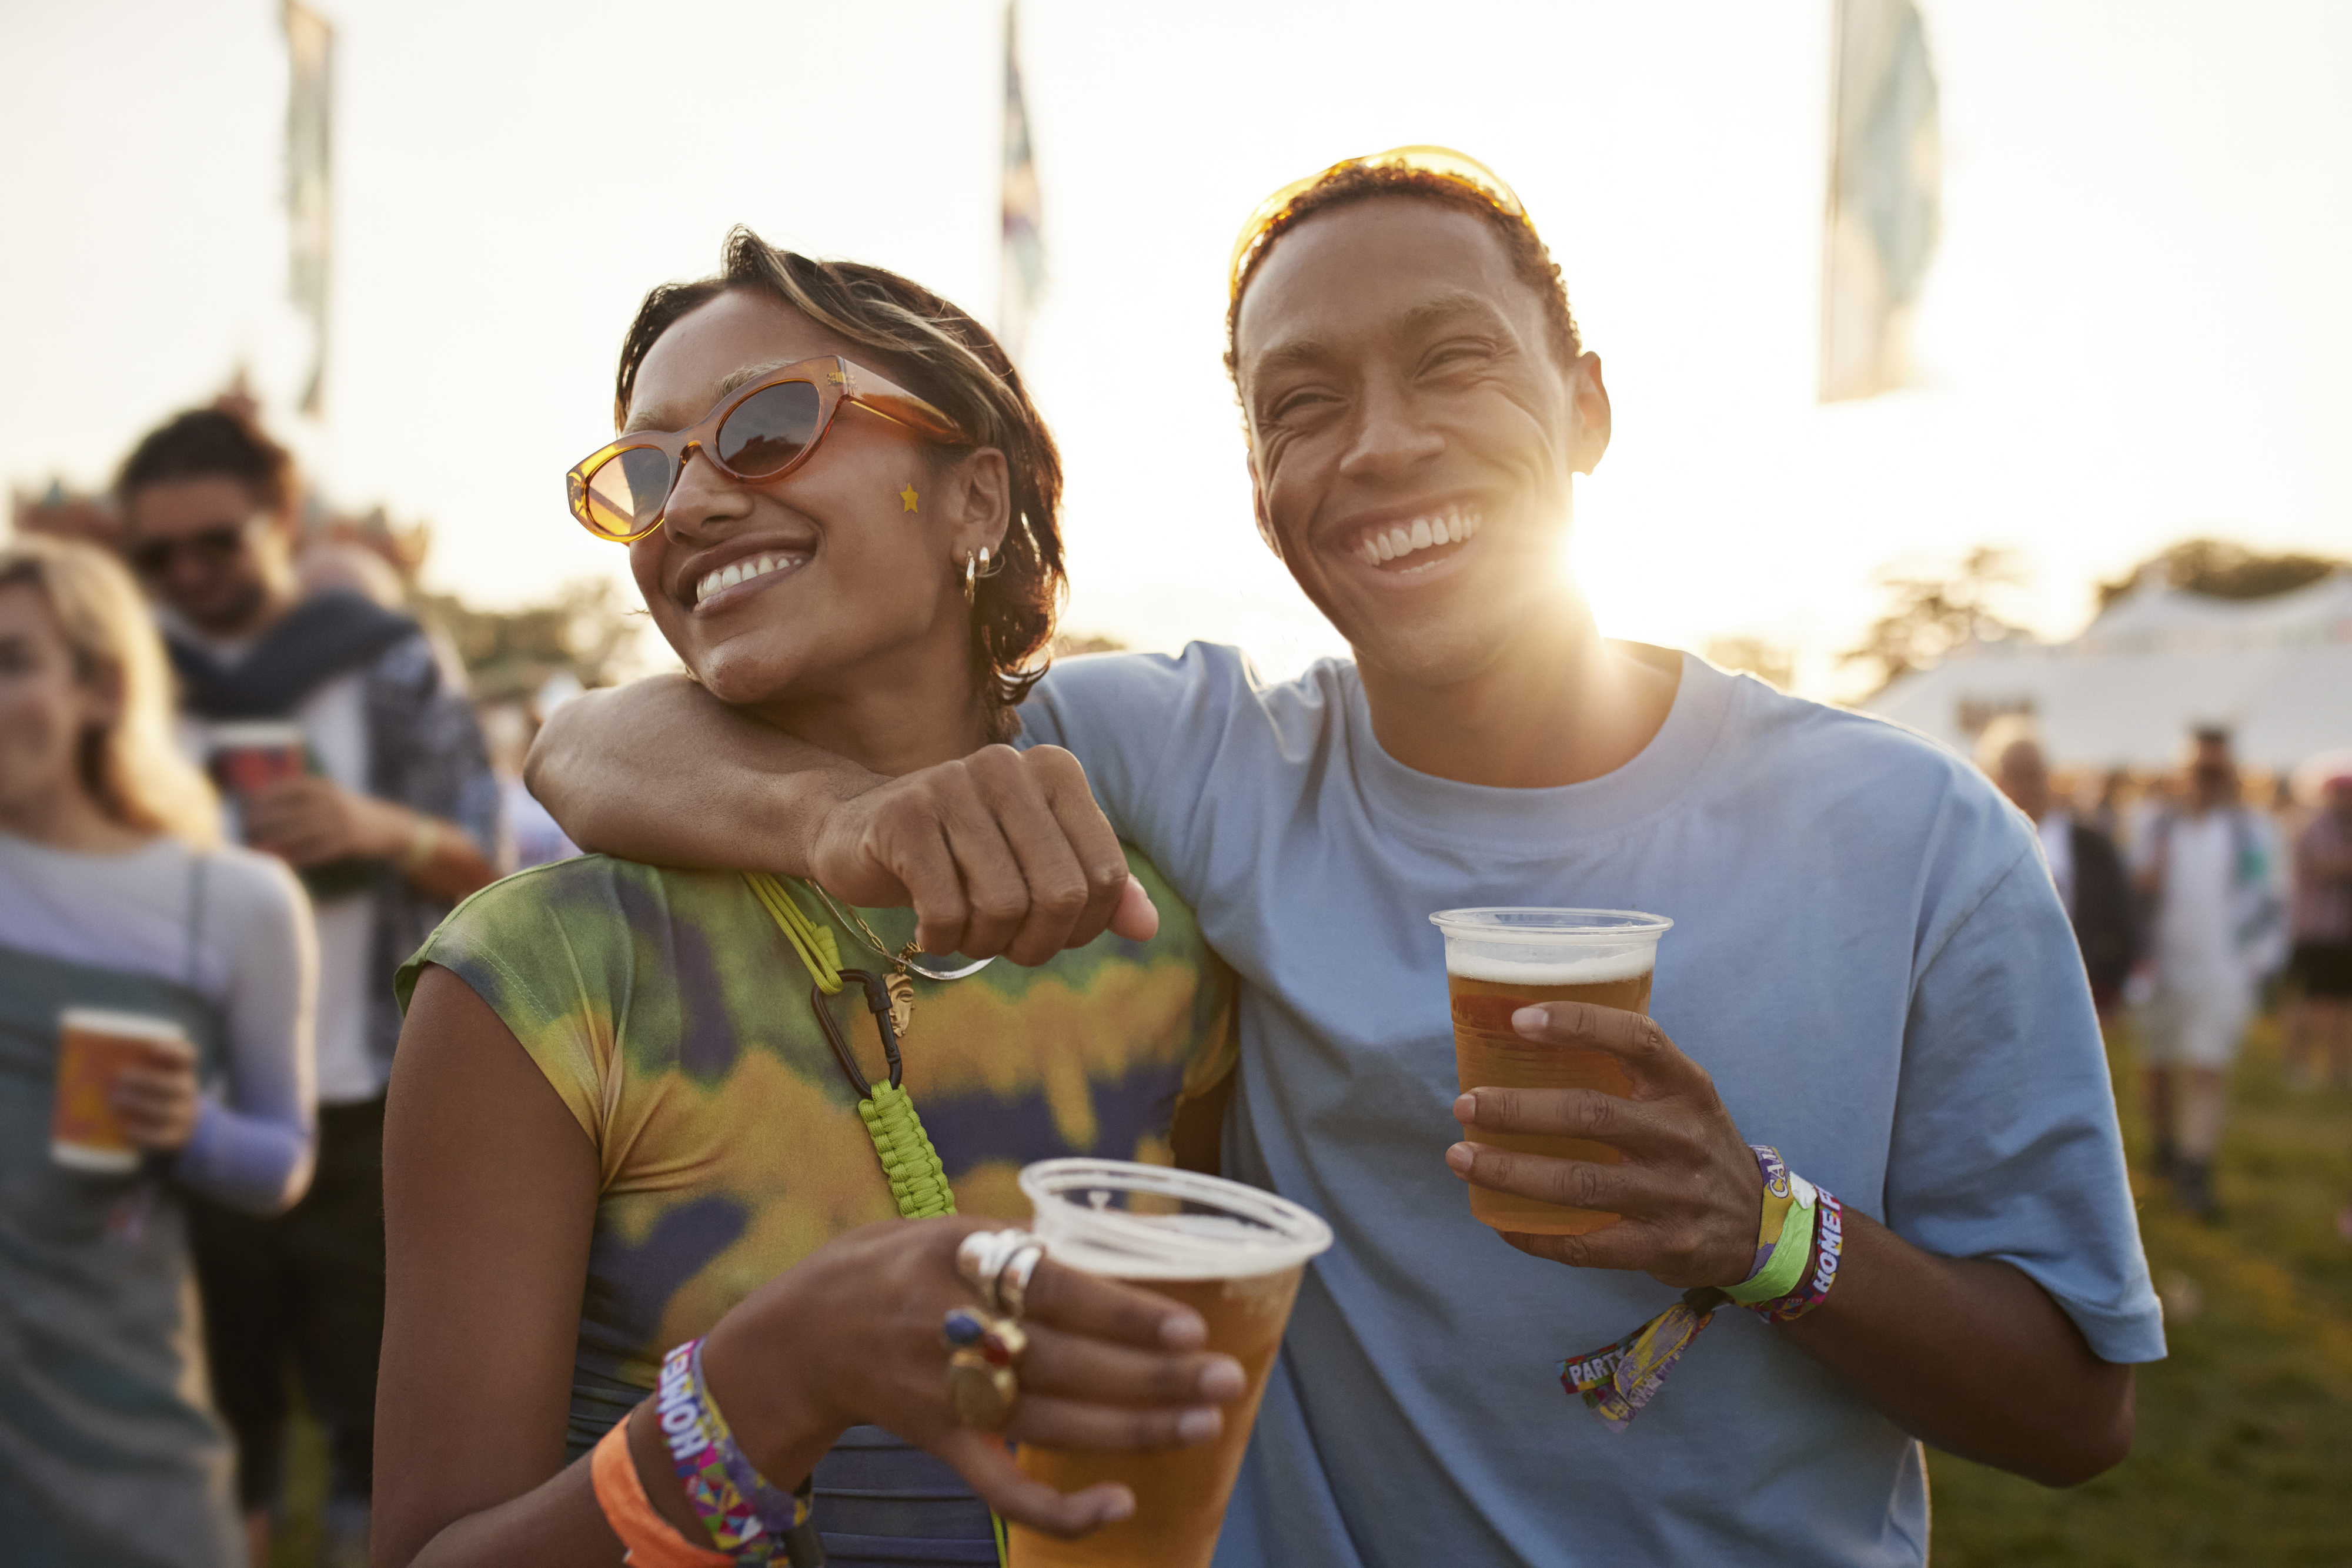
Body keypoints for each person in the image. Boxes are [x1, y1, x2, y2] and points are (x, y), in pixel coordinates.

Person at [529, 149, 2160, 1564]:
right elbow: (590, 742)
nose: (1379, 446)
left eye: (1453, 363)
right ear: (1261, 487)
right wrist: (834, 821)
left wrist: (1761, 1231)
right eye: (1302, 403)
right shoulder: (1203, 757)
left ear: (1585, 408)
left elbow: (2080, 1413)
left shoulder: (1917, 839)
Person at [375, 233, 1246, 1568]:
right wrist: (772, 1379)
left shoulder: (1154, 932)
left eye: (771, 425)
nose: (692, 505)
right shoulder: (537, 976)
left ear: (971, 500)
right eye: (646, 473)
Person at [115, 406, 502, 1564]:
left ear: (281, 524)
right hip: (190, 1102)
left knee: (372, 1426)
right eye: (157, 555)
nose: (187, 574)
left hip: (371, 1106)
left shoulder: (378, 661)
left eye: (215, 544)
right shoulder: (130, 680)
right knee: (206, 1422)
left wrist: (371, 825)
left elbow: (489, 873)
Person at [0, 538, 317, 1567]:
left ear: (97, 686)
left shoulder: (229, 903)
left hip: (113, 1404)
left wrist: (195, 1131)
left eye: (12, 661)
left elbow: (282, 1159)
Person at [2130, 726, 2285, 1218]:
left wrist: (2257, 963)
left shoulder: (2253, 832)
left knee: (2206, 1067)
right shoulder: (2153, 826)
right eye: (2199, 770)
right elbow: (2128, 892)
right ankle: (2165, 1149)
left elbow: (2272, 900)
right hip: (2159, 971)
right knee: (2156, 1065)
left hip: (2223, 973)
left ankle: (2196, 1170)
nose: (2206, 780)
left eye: (2216, 771)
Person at [1980, 717, 2138, 1015]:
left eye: (2035, 774)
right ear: (1994, 779)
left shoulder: (2090, 846)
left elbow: (2121, 917)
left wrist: (2109, 987)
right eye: (2018, 775)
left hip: (2074, 994)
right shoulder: (1979, 845)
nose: (2029, 786)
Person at [2284, 769, 2352, 1089]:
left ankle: (2338, 1069)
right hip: (2313, 928)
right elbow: (2314, 866)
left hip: (2342, 931)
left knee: (2341, 1002)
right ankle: (2298, 1065)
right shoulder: (2313, 826)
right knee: (2308, 1000)